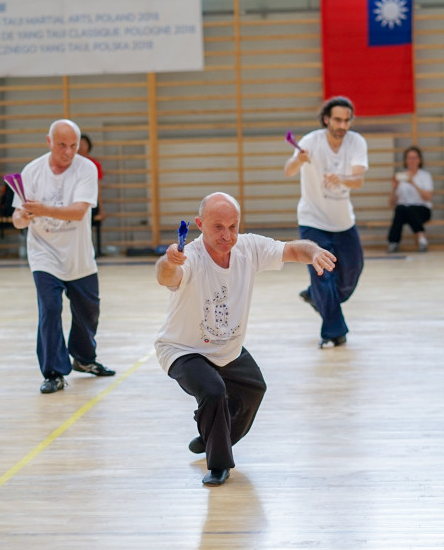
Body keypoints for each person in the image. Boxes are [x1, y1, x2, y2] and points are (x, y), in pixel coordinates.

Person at [154, 192, 336, 487]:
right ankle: (218, 465)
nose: (227, 235)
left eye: (233, 227)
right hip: (182, 349)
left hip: (227, 348)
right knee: (213, 391)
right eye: (218, 227)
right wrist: (169, 261)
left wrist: (313, 252)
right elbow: (167, 278)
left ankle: (211, 435)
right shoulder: (193, 256)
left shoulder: (249, 247)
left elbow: (293, 249)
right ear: (200, 224)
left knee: (255, 389)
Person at [12, 119, 115, 394]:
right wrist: (22, 216)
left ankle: (83, 358)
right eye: (62, 145)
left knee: (88, 312)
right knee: (50, 309)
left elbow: (78, 211)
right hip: (43, 254)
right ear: (48, 141)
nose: (68, 151)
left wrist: (42, 209)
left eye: (73, 146)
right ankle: (54, 372)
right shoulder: (32, 171)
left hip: (79, 256)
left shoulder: (86, 169)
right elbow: (17, 220)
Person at [283, 96, 368, 348]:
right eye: (338, 120)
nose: (343, 125)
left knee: (352, 271)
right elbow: (288, 169)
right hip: (313, 221)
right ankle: (333, 333)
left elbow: (359, 179)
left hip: (344, 223)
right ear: (326, 119)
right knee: (323, 275)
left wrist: (341, 178)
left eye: (347, 120)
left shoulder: (356, 142)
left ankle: (315, 297)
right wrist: (299, 159)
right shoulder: (310, 141)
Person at [387, 146, 433, 253]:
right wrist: (394, 188)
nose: (412, 161)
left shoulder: (425, 176)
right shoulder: (401, 176)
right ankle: (421, 238)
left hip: (422, 210)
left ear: (419, 160)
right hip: (403, 211)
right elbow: (391, 203)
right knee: (401, 209)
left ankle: (393, 242)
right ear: (405, 160)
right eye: (409, 158)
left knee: (406, 209)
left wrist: (413, 183)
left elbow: (428, 197)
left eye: (415, 158)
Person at [78, 134, 105, 223]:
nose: (81, 147)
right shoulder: (71, 165)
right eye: (79, 144)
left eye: (84, 144)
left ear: (89, 146)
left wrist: (101, 210)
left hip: (90, 200)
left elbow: (98, 187)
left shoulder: (94, 164)